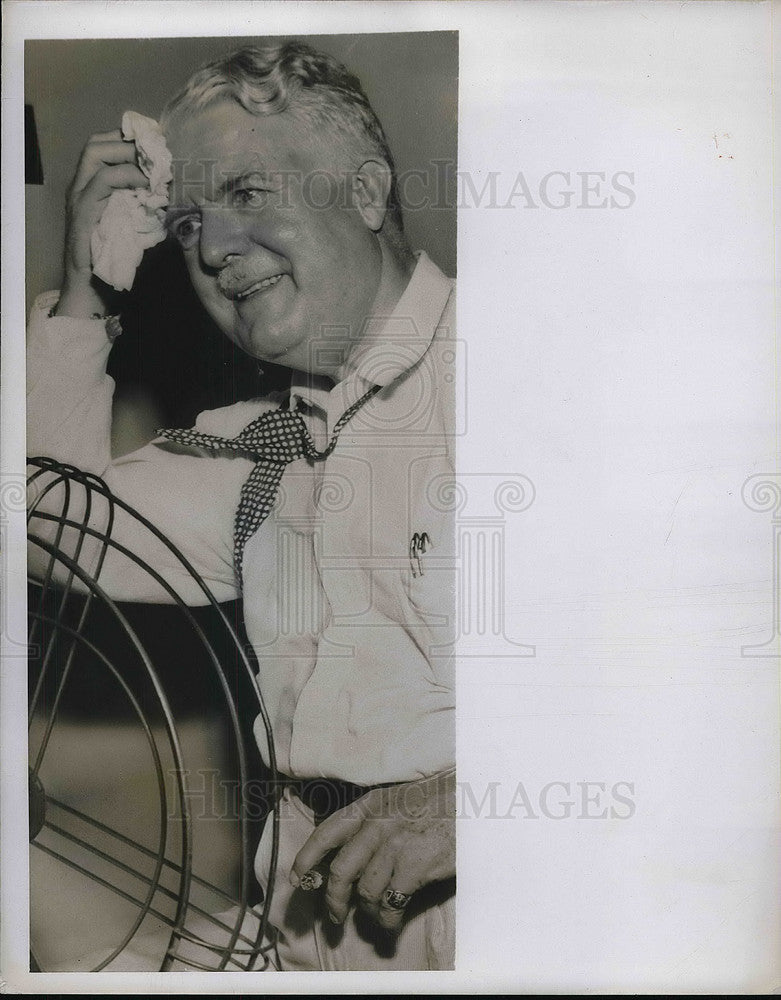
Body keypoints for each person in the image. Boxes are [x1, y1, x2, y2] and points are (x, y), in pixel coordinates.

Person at [26, 39, 456, 972]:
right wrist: (82, 295)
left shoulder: (542, 373)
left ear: (368, 193)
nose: (214, 250)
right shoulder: (258, 445)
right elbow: (44, 530)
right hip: (310, 917)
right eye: (184, 226)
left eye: (249, 194)